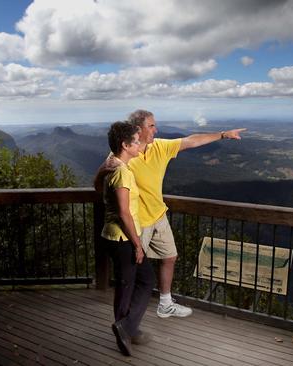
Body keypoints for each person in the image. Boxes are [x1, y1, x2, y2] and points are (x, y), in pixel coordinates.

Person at [127, 109, 245, 318]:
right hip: (138, 222)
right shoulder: (126, 152)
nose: (156, 129)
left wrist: (223, 134)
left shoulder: (160, 147)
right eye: (151, 126)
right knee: (133, 270)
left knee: (170, 256)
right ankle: (129, 316)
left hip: (158, 215)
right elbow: (106, 177)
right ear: (138, 128)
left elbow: (191, 141)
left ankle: (165, 304)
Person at [94, 121, 155, 356]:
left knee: (129, 283)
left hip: (114, 237)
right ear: (125, 145)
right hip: (123, 239)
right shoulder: (122, 172)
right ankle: (125, 328)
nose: (141, 144)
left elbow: (96, 187)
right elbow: (124, 213)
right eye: (137, 142)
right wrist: (138, 245)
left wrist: (99, 171)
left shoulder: (112, 165)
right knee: (140, 282)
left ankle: (128, 329)